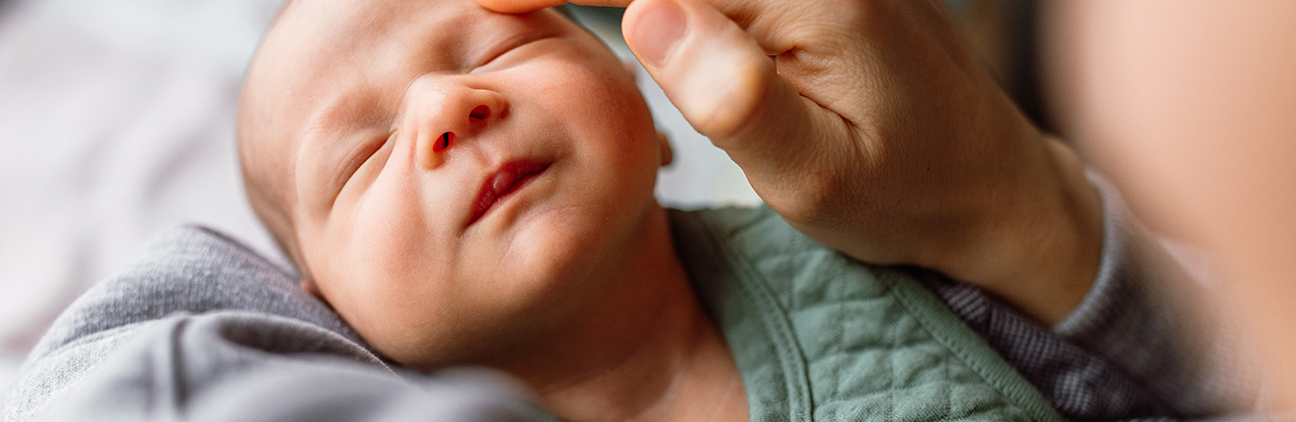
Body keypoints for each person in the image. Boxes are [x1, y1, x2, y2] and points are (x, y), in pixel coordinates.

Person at [1, 0, 1251, 420]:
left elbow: (1179, 366)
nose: (446, 104)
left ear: (654, 116)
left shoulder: (880, 252)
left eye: (497, 49)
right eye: (365, 153)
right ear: (319, 312)